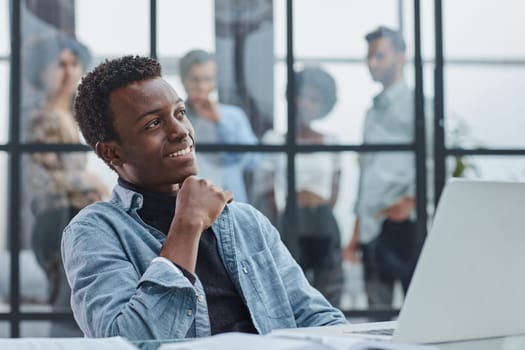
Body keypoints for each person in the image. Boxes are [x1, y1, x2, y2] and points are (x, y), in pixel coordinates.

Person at [62, 55, 347, 339]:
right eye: (153, 124)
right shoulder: (94, 231)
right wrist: (188, 224)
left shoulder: (245, 221)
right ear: (111, 152)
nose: (180, 131)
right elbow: (127, 342)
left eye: (180, 113)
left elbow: (313, 315)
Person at [22, 33, 107, 336]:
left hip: (72, 219)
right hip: (55, 221)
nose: (70, 71)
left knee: (77, 305)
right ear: (40, 71)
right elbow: (40, 179)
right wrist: (87, 181)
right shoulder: (42, 117)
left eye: (74, 64)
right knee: (67, 309)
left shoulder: (67, 117)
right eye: (60, 64)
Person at [342, 26, 431, 308]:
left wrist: (411, 202)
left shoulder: (419, 106)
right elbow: (367, 170)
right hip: (372, 227)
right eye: (369, 57)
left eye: (380, 56)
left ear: (401, 57)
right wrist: (357, 229)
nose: (372, 63)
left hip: (404, 224)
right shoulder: (371, 112)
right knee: (376, 315)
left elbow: (435, 159)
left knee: (418, 311)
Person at [254, 67, 343, 307]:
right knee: (289, 286)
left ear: (323, 104)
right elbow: (267, 190)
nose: (305, 104)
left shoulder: (332, 141)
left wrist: (320, 211)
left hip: (323, 221)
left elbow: (335, 187)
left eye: (314, 99)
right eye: (302, 96)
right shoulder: (275, 139)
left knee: (329, 288)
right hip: (291, 220)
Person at [179, 49, 258, 203]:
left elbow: (252, 161)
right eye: (195, 79)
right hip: (189, 203)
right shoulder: (174, 118)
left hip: (231, 204)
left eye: (208, 79)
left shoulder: (233, 116)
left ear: (215, 81)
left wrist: (219, 122)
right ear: (183, 80)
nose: (201, 86)